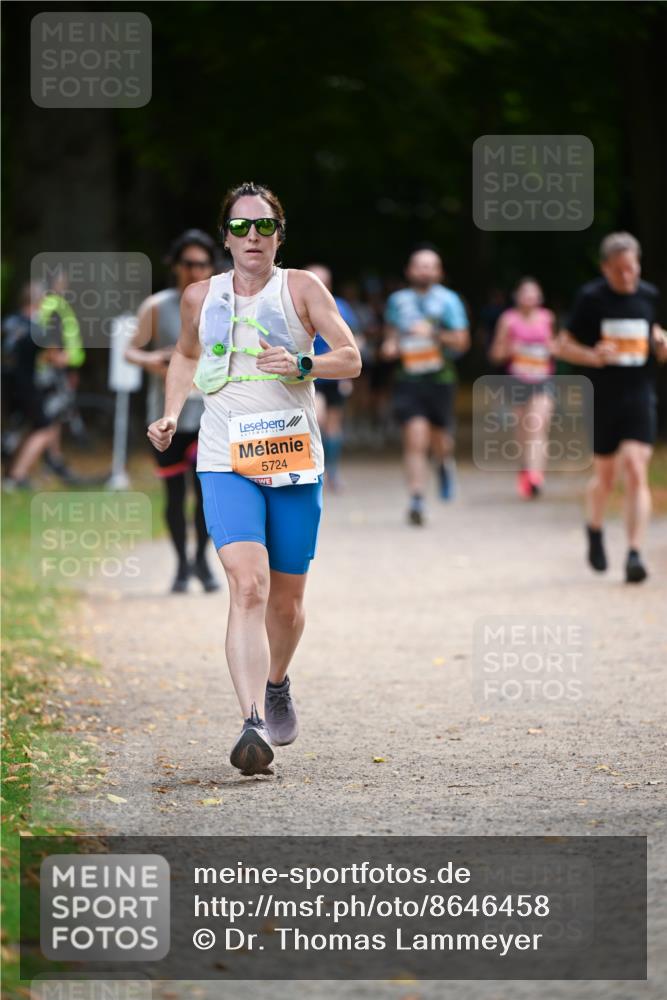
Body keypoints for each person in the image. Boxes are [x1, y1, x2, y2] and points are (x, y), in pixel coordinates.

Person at [148, 182, 361, 775]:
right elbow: (186, 355)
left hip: (292, 457)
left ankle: (276, 681)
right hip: (224, 456)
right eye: (240, 227)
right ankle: (252, 724)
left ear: (278, 234)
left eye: (263, 226)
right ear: (225, 237)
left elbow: (352, 357)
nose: (252, 237)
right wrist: (171, 411)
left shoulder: (302, 289)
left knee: (287, 607)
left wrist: (303, 362)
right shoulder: (199, 296)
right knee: (248, 586)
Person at [556, 232, 667, 582]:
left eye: (632, 268)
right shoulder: (591, 299)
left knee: (635, 468)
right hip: (602, 398)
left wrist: (662, 345)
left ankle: (635, 553)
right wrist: (591, 356)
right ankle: (595, 527)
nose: (627, 276)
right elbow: (562, 346)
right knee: (605, 478)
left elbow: (656, 336)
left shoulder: (649, 296)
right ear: (605, 268)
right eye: (619, 270)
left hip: (639, 396)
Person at [126, 230, 220, 594]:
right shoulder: (157, 306)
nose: (194, 271)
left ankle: (202, 560)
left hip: (210, 410)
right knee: (174, 493)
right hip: (167, 412)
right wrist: (152, 359)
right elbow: (131, 350)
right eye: (188, 264)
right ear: (176, 266)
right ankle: (181, 564)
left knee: (207, 490)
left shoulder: (222, 304)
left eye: (202, 264)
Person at [382, 246, 470, 525]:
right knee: (415, 438)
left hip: (440, 379)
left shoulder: (449, 301)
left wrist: (432, 333)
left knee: (440, 440)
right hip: (409, 379)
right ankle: (417, 499)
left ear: (439, 272)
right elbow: (392, 334)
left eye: (430, 266)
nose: (424, 271)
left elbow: (462, 341)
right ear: (410, 270)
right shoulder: (398, 301)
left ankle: (444, 463)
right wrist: (390, 346)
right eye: (419, 265)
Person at [489, 277, 556, 498]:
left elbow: (556, 347)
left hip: (543, 380)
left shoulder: (548, 318)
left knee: (538, 426)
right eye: (525, 293)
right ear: (517, 297)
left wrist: (551, 348)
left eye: (533, 293)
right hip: (517, 381)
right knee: (522, 431)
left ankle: (537, 475)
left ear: (540, 297)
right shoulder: (508, 320)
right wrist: (510, 349)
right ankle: (525, 468)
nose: (529, 298)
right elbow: (495, 354)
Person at [2, 281, 71, 490]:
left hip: (4, 383)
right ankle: (17, 476)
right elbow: (55, 357)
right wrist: (65, 357)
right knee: (44, 427)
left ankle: (10, 468)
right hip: (24, 386)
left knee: (16, 428)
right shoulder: (38, 327)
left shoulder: (9, 321)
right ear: (39, 301)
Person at [305, 264, 359, 491]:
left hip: (335, 376)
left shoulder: (341, 307)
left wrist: (347, 376)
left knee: (333, 427)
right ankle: (315, 469)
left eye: (322, 280)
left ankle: (333, 473)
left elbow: (353, 341)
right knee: (317, 419)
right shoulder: (295, 303)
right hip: (308, 375)